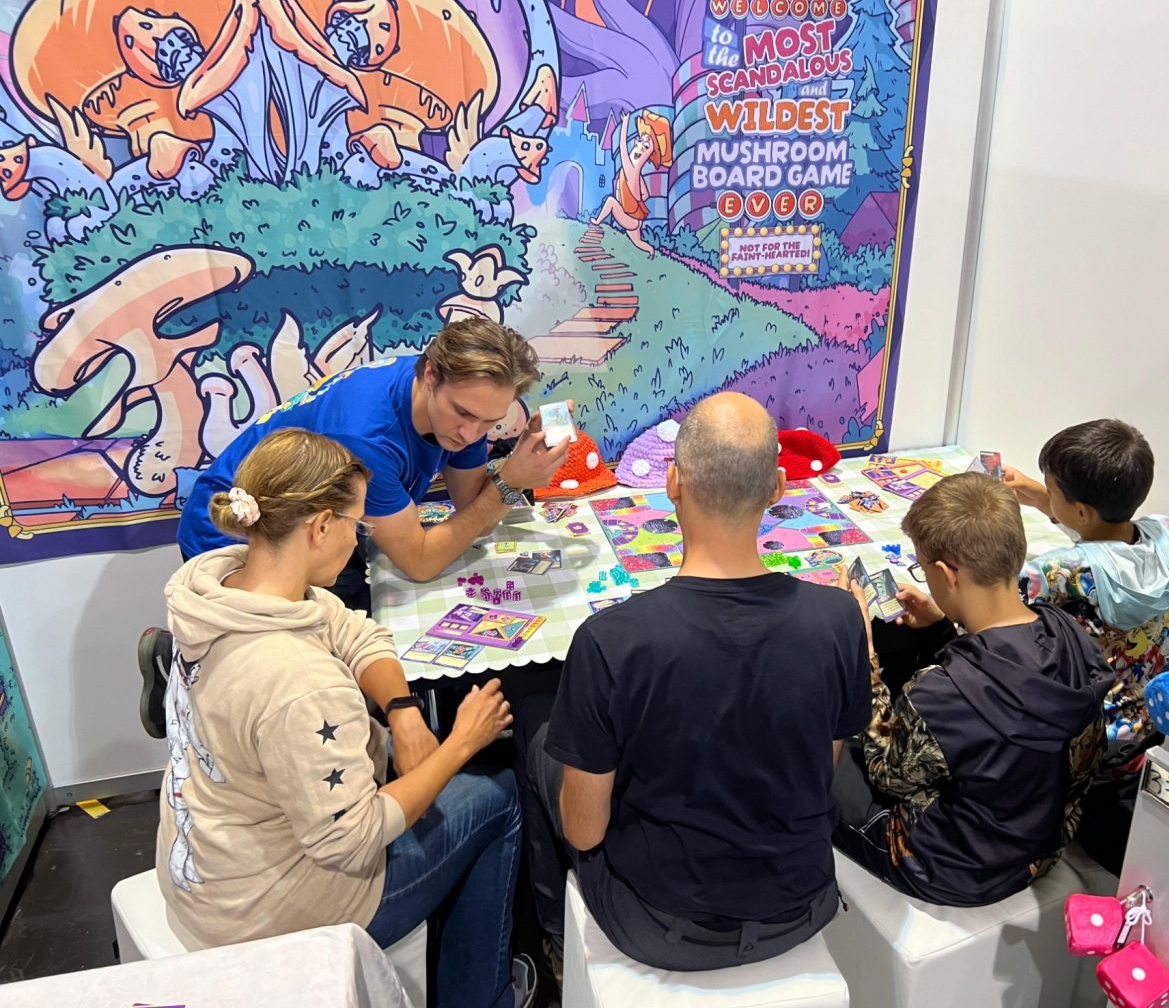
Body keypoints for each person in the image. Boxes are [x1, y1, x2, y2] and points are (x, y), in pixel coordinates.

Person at [157, 428, 533, 1008]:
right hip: (269, 922)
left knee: (429, 768)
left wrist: (404, 712)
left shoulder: (220, 586)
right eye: (357, 525)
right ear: (319, 527)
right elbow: (351, 841)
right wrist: (461, 743)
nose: (359, 540)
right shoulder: (298, 683)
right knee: (498, 794)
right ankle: (481, 997)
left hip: (208, 874)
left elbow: (353, 630)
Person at [516, 393, 871, 972]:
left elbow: (583, 833)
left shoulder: (612, 640)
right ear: (779, 487)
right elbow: (821, 767)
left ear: (672, 482)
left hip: (659, 924)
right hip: (802, 903)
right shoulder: (839, 617)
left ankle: (553, 939)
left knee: (537, 725)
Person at [140, 316, 567, 740]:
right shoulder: (368, 435)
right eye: (463, 413)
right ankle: (189, 673)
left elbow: (472, 511)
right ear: (431, 375)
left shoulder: (460, 399)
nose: (471, 433)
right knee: (289, 674)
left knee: (351, 637)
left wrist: (515, 476)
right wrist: (509, 481)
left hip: (322, 528)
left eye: (489, 421)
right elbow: (420, 561)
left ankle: (196, 661)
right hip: (240, 525)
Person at [834, 472, 1108, 906]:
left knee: (816, 751)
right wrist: (943, 631)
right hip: (1041, 848)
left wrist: (861, 661)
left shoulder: (940, 694)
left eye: (923, 568)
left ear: (946, 573)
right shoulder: (1069, 635)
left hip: (951, 868)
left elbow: (888, 774)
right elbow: (1004, 687)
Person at [1004, 418, 1169, 872]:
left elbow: (991, 600)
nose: (1047, 493)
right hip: (1156, 719)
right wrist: (1041, 497)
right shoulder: (1167, 536)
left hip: (1088, 741)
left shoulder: (1054, 571)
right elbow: (1107, 545)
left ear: (1082, 511)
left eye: (1053, 490)